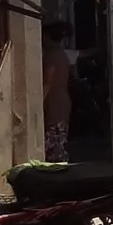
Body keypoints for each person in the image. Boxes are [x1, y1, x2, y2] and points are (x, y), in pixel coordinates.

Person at [40, 20, 76, 161]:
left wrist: (37, 105)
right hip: (62, 103)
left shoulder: (51, 56)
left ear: (48, 36)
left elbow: (47, 83)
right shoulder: (63, 55)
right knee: (58, 142)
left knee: (52, 147)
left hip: (54, 105)